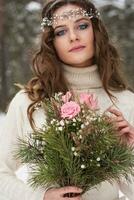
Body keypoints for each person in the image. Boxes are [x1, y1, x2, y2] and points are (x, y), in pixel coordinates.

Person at [0, 0, 134, 200]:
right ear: (51, 41)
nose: (73, 37)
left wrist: (127, 150)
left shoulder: (125, 102)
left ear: (96, 30)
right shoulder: (30, 101)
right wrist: (42, 197)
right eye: (61, 32)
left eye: (82, 26)